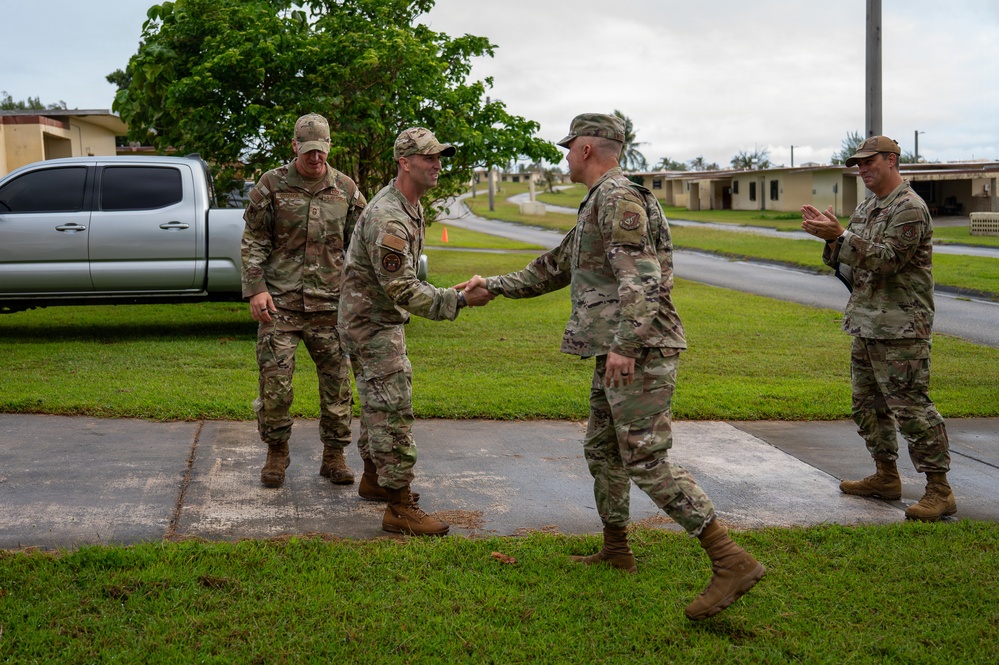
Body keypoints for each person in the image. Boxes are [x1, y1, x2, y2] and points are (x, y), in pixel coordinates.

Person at [459, 113, 764, 620]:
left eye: (568, 147)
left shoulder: (619, 198)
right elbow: (555, 266)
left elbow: (642, 279)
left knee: (646, 457)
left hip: (637, 349)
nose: (564, 155)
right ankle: (617, 549)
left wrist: (625, 344)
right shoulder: (599, 200)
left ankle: (729, 559)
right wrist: (491, 285)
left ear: (585, 149)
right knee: (602, 449)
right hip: (616, 348)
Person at [338, 127, 492, 536]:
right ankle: (399, 507)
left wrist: (445, 293)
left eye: (439, 157)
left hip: (371, 318)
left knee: (377, 404)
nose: (438, 165)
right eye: (429, 158)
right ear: (404, 162)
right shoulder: (390, 216)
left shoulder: (410, 205)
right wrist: (456, 301)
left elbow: (401, 281)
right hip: (372, 325)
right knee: (392, 409)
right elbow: (402, 288)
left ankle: (374, 479)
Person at [801, 135, 956, 521]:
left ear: (892, 160)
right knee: (867, 406)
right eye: (858, 164)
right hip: (867, 321)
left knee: (911, 408)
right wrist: (832, 239)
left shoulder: (910, 208)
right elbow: (852, 260)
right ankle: (886, 476)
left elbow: (887, 260)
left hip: (902, 327)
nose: (863, 170)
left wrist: (841, 236)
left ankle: (940, 489)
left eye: (869, 162)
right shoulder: (870, 205)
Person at [241, 113, 366, 489]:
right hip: (279, 304)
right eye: (308, 150)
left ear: (329, 147)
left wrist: (359, 297)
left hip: (330, 307)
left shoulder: (345, 188)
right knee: (275, 385)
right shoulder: (272, 185)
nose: (316, 158)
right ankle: (276, 453)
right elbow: (254, 240)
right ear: (295, 146)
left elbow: (358, 247)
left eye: (322, 151)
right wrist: (256, 288)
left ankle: (334, 456)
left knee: (337, 387)